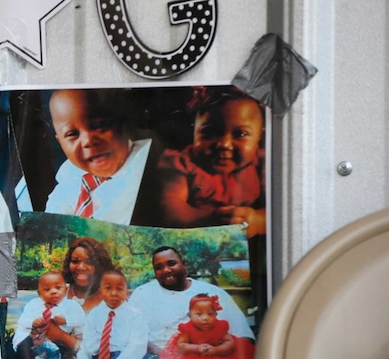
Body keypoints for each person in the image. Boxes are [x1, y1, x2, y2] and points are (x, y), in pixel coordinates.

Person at [15, 89, 153, 224]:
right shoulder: (70, 171)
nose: (88, 141)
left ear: (122, 122)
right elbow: (53, 219)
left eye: (99, 125)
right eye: (72, 134)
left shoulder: (147, 161)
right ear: (60, 142)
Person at [153, 86, 266, 238]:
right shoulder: (182, 163)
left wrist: (257, 220)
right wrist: (212, 219)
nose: (224, 144)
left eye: (240, 134)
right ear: (194, 131)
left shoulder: (260, 163)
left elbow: (281, 210)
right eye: (210, 132)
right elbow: (171, 212)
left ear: (259, 136)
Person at [128, 246, 255, 359]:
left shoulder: (212, 292)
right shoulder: (143, 294)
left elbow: (244, 336)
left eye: (171, 263)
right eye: (159, 267)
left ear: (184, 264)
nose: (166, 270)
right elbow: (132, 336)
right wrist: (164, 358)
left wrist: (214, 355)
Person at [158, 294, 256, 359]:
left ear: (216, 314)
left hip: (218, 353)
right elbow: (181, 346)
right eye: (199, 314)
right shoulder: (187, 329)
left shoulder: (220, 327)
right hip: (194, 356)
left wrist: (216, 350)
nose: (205, 318)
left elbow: (230, 342)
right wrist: (197, 348)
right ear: (190, 315)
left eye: (210, 314)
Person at [76, 269, 148, 359]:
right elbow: (87, 347)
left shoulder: (135, 316)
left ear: (126, 292)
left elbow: (136, 347)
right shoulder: (94, 315)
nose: (114, 293)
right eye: (108, 288)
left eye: (119, 289)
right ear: (100, 293)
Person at [13, 272, 87, 359]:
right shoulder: (33, 304)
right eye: (47, 290)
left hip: (58, 341)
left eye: (58, 288)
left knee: (58, 354)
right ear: (40, 293)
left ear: (65, 290)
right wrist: (33, 322)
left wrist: (66, 321)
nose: (53, 292)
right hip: (34, 339)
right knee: (24, 351)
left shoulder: (72, 306)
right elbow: (23, 321)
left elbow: (81, 320)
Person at [61, 237, 114, 313]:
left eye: (89, 262)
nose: (81, 267)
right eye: (75, 261)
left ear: (100, 265)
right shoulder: (57, 292)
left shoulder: (111, 300)